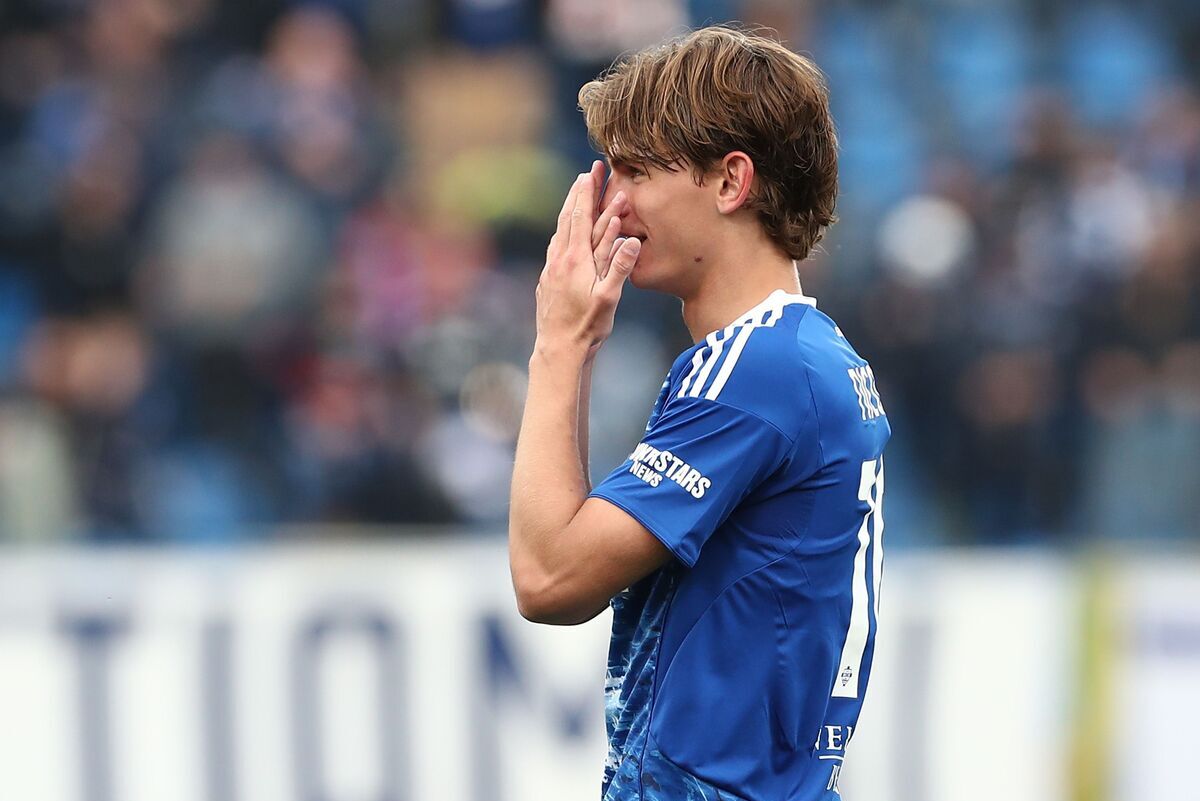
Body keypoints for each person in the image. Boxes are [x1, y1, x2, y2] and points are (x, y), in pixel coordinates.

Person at [508, 25, 890, 801]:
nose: (609, 202)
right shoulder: (816, 353)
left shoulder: (756, 368)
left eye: (637, 170)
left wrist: (559, 343)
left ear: (729, 181)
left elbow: (550, 577)